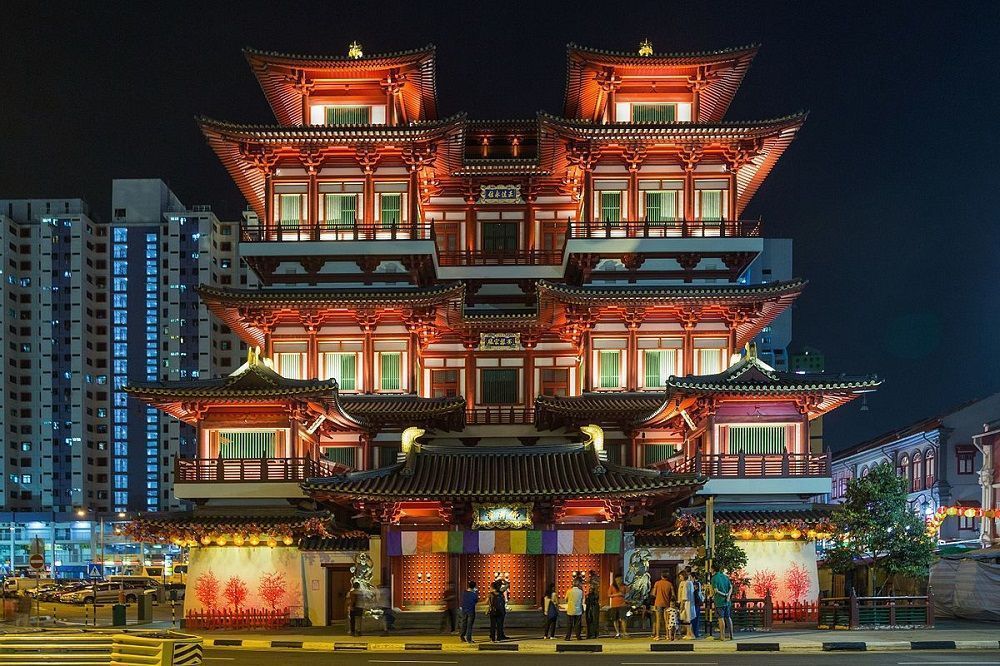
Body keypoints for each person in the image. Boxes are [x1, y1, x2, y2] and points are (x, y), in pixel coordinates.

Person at [710, 566, 734, 641]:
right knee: (728, 617)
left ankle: (722, 636)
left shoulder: (714, 578)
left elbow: (716, 590)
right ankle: (731, 635)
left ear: (713, 569)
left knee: (721, 618)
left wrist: (724, 595)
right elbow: (731, 587)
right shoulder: (725, 576)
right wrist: (728, 596)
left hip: (719, 601)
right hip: (727, 601)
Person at [650, 571, 675, 640]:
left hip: (658, 603)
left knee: (658, 620)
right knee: (666, 620)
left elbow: (653, 594)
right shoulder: (670, 584)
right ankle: (667, 635)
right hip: (666, 603)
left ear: (661, 576)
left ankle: (657, 635)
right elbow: (673, 595)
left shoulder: (657, 583)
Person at [608, 574, 628, 638]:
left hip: (622, 605)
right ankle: (617, 633)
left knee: (623, 619)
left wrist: (624, 595)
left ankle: (624, 632)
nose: (620, 580)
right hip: (614, 605)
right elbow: (609, 595)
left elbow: (627, 594)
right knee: (615, 619)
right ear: (616, 579)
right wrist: (617, 594)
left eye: (621, 579)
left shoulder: (624, 586)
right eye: (618, 579)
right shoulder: (612, 586)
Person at [677, 571, 695, 639]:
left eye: (680, 576)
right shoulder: (689, 583)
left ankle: (691, 634)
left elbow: (684, 596)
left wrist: (681, 605)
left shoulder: (686, 583)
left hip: (686, 603)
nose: (680, 578)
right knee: (687, 619)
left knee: (687, 619)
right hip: (689, 603)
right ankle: (688, 633)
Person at [585, 571, 600, 639]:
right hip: (590, 606)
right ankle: (590, 633)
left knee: (594, 620)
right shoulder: (589, 595)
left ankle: (594, 634)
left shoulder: (595, 592)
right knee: (590, 620)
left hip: (593, 606)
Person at [688, 569, 703, 639]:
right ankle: (694, 632)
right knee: (694, 618)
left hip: (695, 602)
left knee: (694, 618)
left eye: (690, 577)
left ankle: (695, 632)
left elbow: (698, 593)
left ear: (693, 577)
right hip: (695, 603)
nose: (689, 578)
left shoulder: (696, 584)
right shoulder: (697, 584)